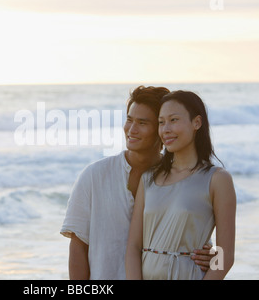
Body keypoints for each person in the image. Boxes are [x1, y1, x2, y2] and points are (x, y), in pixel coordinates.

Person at [60, 86, 214, 280]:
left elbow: (201, 245)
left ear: (161, 128)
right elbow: (78, 247)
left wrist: (212, 257)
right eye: (129, 120)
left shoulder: (183, 179)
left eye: (142, 123)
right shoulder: (94, 176)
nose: (131, 130)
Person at [125, 90, 236, 280]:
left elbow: (225, 257)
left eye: (174, 120)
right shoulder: (149, 178)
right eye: (161, 122)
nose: (166, 129)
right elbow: (133, 247)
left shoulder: (218, 179)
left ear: (196, 123)